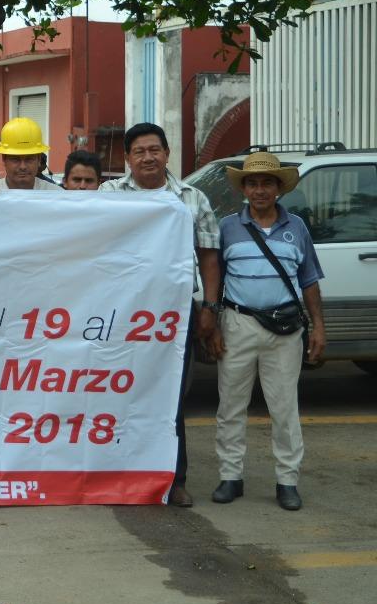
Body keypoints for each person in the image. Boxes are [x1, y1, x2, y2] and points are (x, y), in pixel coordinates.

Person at [100, 122, 221, 508]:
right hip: (118, 311)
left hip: (175, 313)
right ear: (127, 159)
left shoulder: (193, 199)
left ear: (167, 154)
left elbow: (209, 257)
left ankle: (174, 478)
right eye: (139, 151)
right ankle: (110, 473)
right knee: (112, 389)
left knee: (168, 394)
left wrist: (210, 307)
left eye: (155, 150)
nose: (148, 157)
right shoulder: (108, 195)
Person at [210, 151, 326, 511]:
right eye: (253, 183)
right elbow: (216, 279)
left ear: (279, 188)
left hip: (285, 330)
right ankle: (231, 477)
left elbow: (309, 281)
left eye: (267, 183)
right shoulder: (227, 227)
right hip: (237, 323)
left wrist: (319, 326)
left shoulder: (298, 229)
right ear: (244, 188)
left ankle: (287, 481)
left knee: (284, 407)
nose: (260, 189)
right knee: (231, 405)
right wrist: (212, 322)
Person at [0, 117, 62, 192]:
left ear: (39, 160)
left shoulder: (56, 195)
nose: (23, 167)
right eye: (15, 159)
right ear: (4, 159)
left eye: (29, 159)